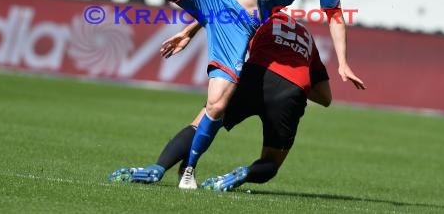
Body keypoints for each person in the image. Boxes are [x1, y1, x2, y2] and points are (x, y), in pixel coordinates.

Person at [56, 0, 366, 189]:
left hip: (240, 25)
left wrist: (343, 62)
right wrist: (192, 27)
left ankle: (188, 171)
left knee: (217, 105)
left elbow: (335, 16)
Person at [109, 11, 339, 191]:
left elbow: (219, 21)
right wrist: (291, 81)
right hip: (293, 90)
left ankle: (156, 168)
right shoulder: (307, 38)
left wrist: (190, 32)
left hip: (255, 76)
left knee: (203, 122)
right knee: (270, 163)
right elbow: (325, 97)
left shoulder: (258, 15)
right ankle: (244, 173)